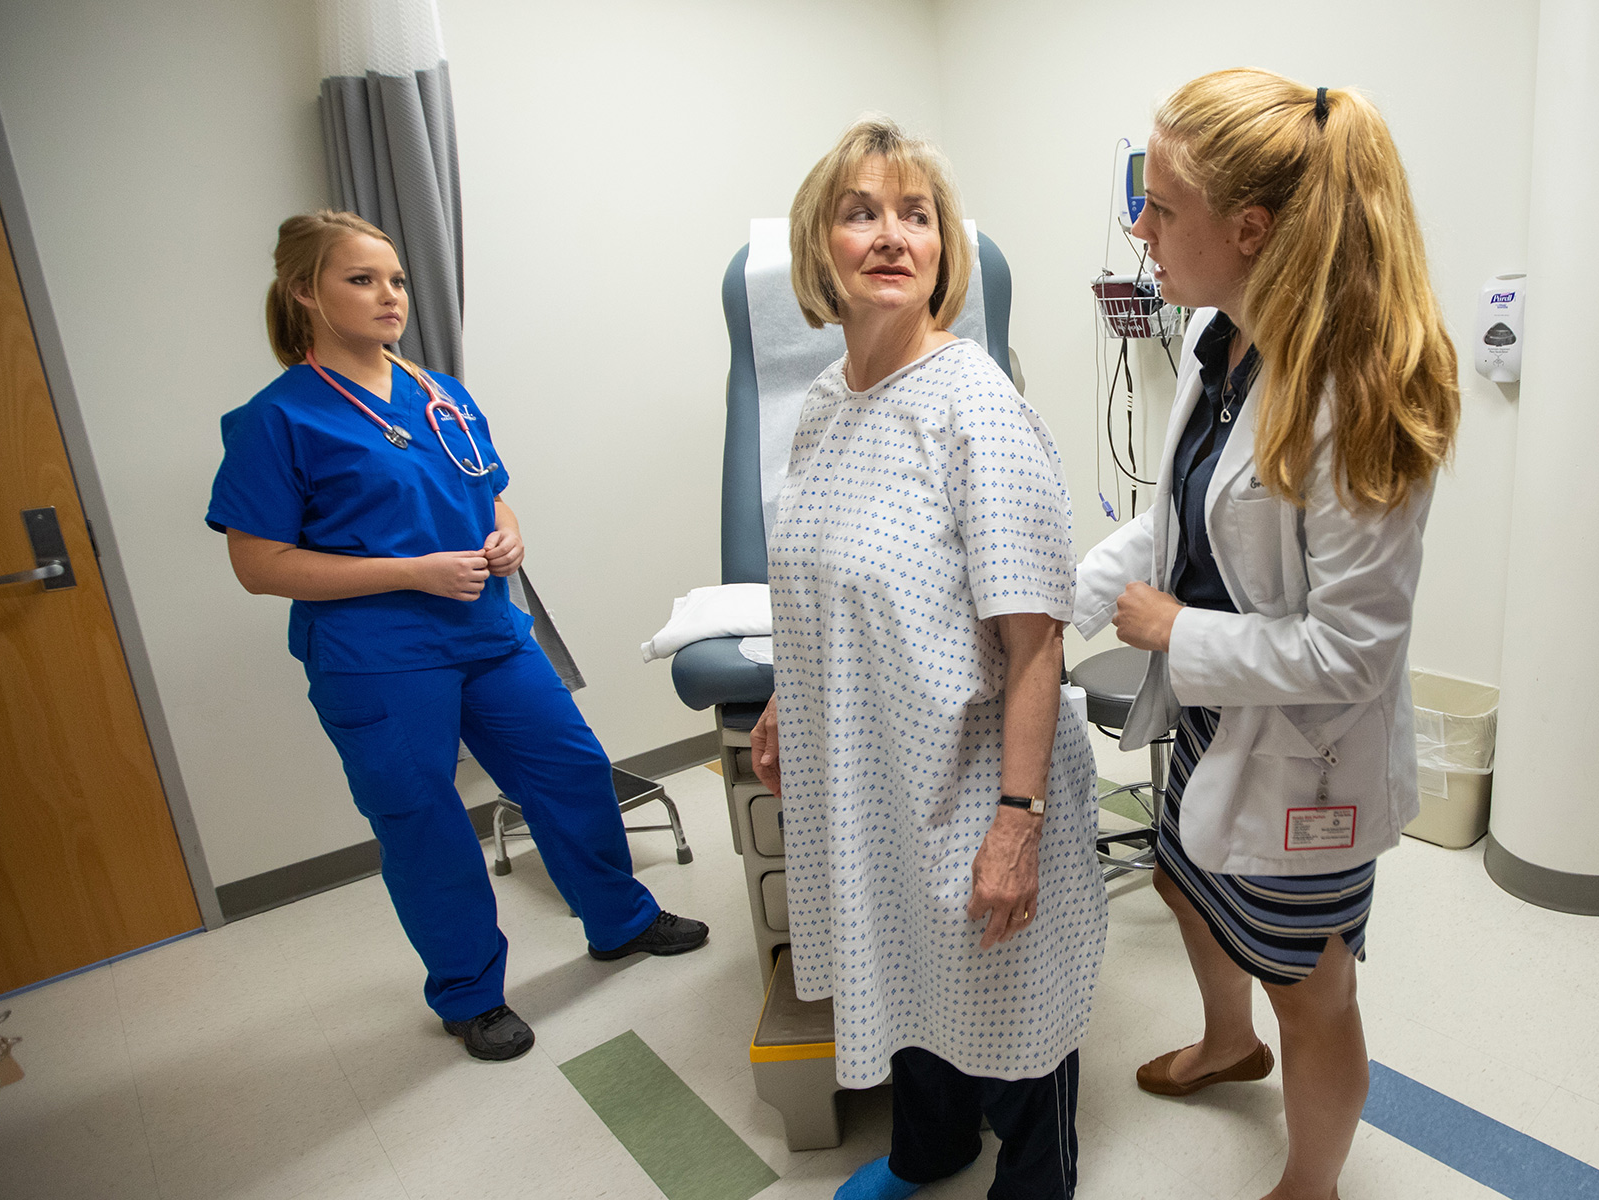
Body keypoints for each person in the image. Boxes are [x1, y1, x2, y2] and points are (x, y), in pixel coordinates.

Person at [1075, 71, 1460, 1200]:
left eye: (1160, 206)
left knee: (1318, 987)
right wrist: (1053, 600)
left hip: (1306, 760)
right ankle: (1226, 1041)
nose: (1138, 226)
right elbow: (1173, 522)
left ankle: (1316, 1179)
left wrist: (1169, 630)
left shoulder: (1359, 390)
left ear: (1249, 229)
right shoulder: (1223, 341)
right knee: (1181, 878)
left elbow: (1354, 653)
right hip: (1215, 718)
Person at [207, 211, 707, 1062]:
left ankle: (618, 921)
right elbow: (259, 564)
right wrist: (411, 572)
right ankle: (470, 995)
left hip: (488, 632)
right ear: (304, 293)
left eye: (395, 279)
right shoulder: (278, 419)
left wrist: (510, 532)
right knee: (425, 823)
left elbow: (490, 490)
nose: (389, 295)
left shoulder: (439, 391)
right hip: (379, 658)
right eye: (362, 280)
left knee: (574, 770)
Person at [749, 117, 1106, 1200]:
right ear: (821, 249)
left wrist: (1018, 822)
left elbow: (1035, 640)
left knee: (1006, 985)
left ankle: (1036, 1181)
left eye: (917, 216)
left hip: (975, 778)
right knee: (902, 951)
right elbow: (814, 587)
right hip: (874, 768)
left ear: (944, 249)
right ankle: (930, 1146)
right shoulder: (822, 408)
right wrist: (781, 702)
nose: (893, 236)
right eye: (862, 213)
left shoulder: (975, 408)